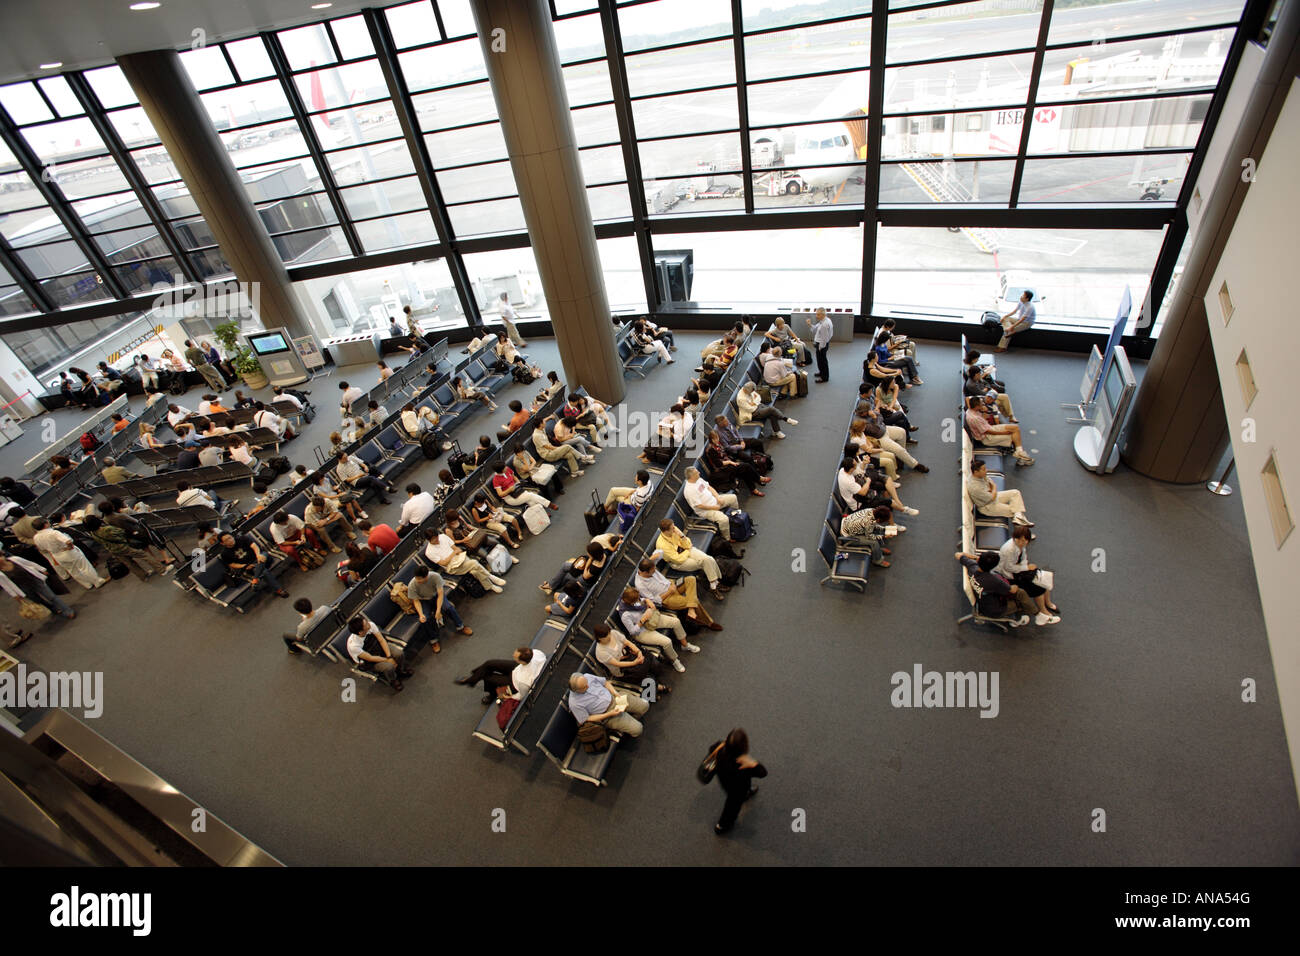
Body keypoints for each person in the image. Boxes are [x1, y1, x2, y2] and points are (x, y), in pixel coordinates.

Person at [954, 550, 1039, 626]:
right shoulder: (993, 580)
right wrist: (1015, 586)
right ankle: (1036, 615)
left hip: (983, 601)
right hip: (995, 610)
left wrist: (977, 558)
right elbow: (1012, 590)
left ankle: (1033, 613)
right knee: (1021, 596)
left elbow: (958, 554)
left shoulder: (972, 567)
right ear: (993, 567)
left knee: (1020, 594)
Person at [634, 556, 720, 631]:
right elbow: (654, 601)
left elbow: (660, 554)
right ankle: (708, 622)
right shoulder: (640, 585)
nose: (655, 571)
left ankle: (691, 610)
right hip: (666, 599)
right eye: (653, 571)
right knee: (694, 601)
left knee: (691, 579)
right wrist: (669, 592)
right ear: (645, 572)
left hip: (672, 585)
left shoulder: (650, 568)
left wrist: (671, 583)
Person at [711, 727, 768, 835]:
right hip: (738, 791)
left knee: (731, 801)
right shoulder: (744, 765)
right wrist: (752, 762)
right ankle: (722, 826)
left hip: (725, 781)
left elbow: (711, 749)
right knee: (732, 807)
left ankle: (722, 825)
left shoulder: (719, 748)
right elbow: (763, 773)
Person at [0, 552, 76, 633]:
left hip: (35, 580)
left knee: (51, 597)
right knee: (39, 601)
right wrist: (15, 595)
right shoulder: (1, 574)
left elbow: (30, 563)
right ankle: (54, 609)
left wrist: (42, 569)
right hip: (24, 589)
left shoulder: (15, 559)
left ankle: (67, 611)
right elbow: (6, 586)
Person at [997, 524, 1060, 621]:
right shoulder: (1009, 549)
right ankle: (1043, 610)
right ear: (1015, 538)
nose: (1025, 542)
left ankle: (1048, 603)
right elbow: (1009, 568)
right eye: (1022, 540)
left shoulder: (1020, 545)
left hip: (1019, 570)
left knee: (1043, 578)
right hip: (1010, 576)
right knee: (1037, 588)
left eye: (1026, 540)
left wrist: (1027, 567)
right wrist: (1026, 567)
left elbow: (1023, 558)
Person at [656, 518, 728, 600]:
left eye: (674, 526)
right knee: (705, 562)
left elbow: (688, 543)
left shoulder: (674, 529)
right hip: (677, 563)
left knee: (708, 559)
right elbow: (678, 560)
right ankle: (715, 584)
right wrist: (687, 550)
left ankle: (714, 584)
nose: (675, 528)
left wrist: (682, 536)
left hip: (686, 550)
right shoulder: (662, 545)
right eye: (672, 528)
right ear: (666, 531)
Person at [406, 565, 472, 654]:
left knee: (449, 608)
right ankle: (433, 640)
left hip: (436, 595)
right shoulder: (412, 585)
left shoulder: (435, 576)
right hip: (424, 600)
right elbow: (416, 601)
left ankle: (460, 626)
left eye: (420, 579)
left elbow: (440, 594)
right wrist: (421, 614)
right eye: (417, 578)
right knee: (425, 619)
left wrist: (438, 611)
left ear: (426, 577)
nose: (417, 580)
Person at [82, 514, 165, 581]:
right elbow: (121, 532)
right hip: (123, 547)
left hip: (113, 550)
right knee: (144, 555)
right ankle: (161, 570)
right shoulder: (106, 529)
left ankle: (143, 576)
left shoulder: (93, 533)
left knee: (130, 563)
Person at [594, 623, 669, 696]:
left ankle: (655, 679)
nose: (610, 636)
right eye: (607, 635)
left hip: (629, 655)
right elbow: (617, 663)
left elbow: (628, 643)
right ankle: (656, 687)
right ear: (600, 638)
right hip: (621, 669)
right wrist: (635, 662)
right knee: (642, 672)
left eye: (609, 633)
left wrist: (638, 652)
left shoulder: (613, 633)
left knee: (648, 656)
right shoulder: (601, 652)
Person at [567, 672, 651, 737]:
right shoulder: (574, 703)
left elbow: (605, 683)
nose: (588, 686)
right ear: (576, 691)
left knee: (645, 706)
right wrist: (609, 714)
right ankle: (628, 724)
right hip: (607, 714)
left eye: (587, 683)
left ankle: (631, 718)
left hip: (615, 698)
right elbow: (587, 719)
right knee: (638, 729)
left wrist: (615, 693)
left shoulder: (587, 677)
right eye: (584, 687)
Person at [424, 526, 506, 593]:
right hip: (451, 567)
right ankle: (491, 577)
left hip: (459, 558)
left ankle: (490, 586)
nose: (437, 540)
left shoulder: (443, 537)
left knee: (474, 570)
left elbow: (455, 548)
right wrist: (453, 553)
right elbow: (443, 563)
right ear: (429, 540)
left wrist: (457, 551)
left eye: (437, 537)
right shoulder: (429, 552)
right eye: (434, 539)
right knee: (474, 563)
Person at [456, 647, 543, 705]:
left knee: (486, 676)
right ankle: (472, 679)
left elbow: (522, 695)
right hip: (517, 668)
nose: (513, 655)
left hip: (514, 682)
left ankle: (492, 694)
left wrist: (510, 697)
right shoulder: (537, 653)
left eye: (515, 657)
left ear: (522, 661)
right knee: (489, 663)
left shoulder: (523, 681)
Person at [346, 615, 412, 690]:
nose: (369, 624)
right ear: (360, 632)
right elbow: (370, 658)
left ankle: (400, 670)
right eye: (366, 625)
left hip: (378, 647)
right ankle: (393, 680)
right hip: (370, 661)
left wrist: (389, 656)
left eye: (367, 622)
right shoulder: (354, 646)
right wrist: (388, 660)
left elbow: (381, 640)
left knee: (399, 653)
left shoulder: (371, 625)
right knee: (389, 666)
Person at [965, 397, 1035, 466]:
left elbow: (984, 424)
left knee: (1015, 428)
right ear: (977, 406)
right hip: (987, 437)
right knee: (1013, 435)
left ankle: (1020, 453)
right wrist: (1003, 433)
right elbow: (987, 431)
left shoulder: (971, 411)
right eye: (981, 404)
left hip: (990, 428)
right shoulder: (974, 418)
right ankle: (1021, 456)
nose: (983, 404)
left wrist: (984, 411)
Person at [218, 532, 289, 597]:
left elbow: (254, 546)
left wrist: (258, 555)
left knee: (264, 555)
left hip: (261, 558)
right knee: (264, 572)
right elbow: (232, 564)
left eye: (230, 537)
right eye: (226, 540)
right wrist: (244, 566)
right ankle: (279, 590)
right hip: (251, 566)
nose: (230, 540)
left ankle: (255, 579)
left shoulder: (242, 538)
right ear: (222, 543)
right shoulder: (224, 553)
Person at [967, 459, 1032, 527]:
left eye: (985, 468)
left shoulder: (980, 476)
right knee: (1013, 510)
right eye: (983, 469)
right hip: (987, 507)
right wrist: (994, 487)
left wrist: (992, 490)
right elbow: (992, 496)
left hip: (991, 497)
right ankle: (1022, 532)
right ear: (976, 472)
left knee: (1015, 493)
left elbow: (990, 483)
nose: (986, 470)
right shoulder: (975, 487)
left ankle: (1019, 520)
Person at [704, 431, 771, 496]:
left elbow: (725, 453)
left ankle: (754, 490)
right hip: (723, 470)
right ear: (711, 440)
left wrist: (732, 460)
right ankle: (759, 478)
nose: (717, 440)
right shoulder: (711, 450)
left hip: (729, 465)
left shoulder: (718, 445)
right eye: (715, 439)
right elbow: (718, 464)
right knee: (746, 466)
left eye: (717, 437)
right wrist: (730, 462)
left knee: (744, 471)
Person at [683, 467, 740, 540]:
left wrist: (717, 497)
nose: (699, 473)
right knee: (724, 519)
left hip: (714, 500)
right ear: (692, 476)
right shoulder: (689, 490)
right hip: (706, 510)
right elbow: (699, 506)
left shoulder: (698, 479)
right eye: (697, 472)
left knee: (733, 498)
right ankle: (727, 538)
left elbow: (709, 487)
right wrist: (714, 507)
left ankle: (736, 519)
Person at [840, 504, 896, 568]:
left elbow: (873, 525)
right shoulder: (868, 522)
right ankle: (878, 560)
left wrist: (884, 529)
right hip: (848, 537)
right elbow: (870, 536)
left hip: (846, 523)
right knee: (873, 542)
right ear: (879, 519)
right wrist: (884, 536)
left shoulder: (871, 510)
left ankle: (878, 549)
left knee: (877, 531)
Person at [490, 461, 554, 511]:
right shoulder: (496, 479)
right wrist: (508, 490)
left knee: (531, 500)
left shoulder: (507, 470)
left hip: (518, 490)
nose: (506, 467)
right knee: (530, 495)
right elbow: (500, 494)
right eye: (504, 467)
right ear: (500, 470)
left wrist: (518, 483)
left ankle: (542, 513)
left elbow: (514, 477)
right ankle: (548, 504)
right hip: (510, 497)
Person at [806, 307, 834, 383]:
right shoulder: (824, 320)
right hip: (821, 344)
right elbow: (815, 328)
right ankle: (821, 372)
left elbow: (824, 338)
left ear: (823, 314)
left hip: (822, 345)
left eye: (818, 314)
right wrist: (809, 324)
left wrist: (820, 347)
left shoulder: (825, 324)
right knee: (820, 360)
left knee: (822, 361)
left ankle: (824, 377)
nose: (816, 316)